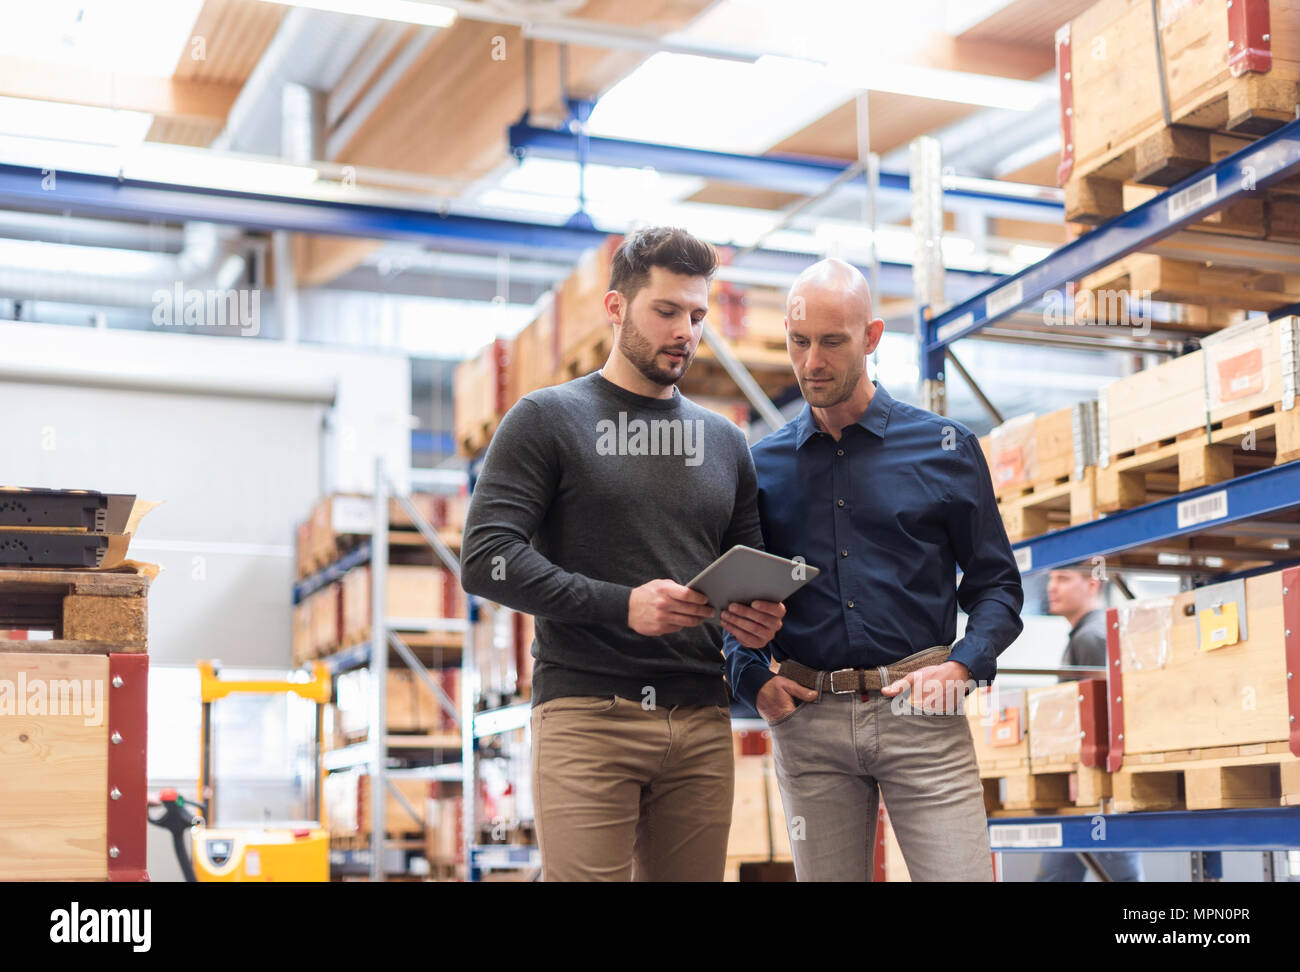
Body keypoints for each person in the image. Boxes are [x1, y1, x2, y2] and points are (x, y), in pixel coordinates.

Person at [459, 226, 785, 881]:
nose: (684, 332)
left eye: (696, 315)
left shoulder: (724, 442)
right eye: (665, 311)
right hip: (587, 716)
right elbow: (485, 557)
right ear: (616, 308)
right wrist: (621, 605)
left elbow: (746, 570)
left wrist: (757, 621)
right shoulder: (546, 419)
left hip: (699, 719)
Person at [722, 257, 1024, 882]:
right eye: (799, 342)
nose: (812, 363)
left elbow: (996, 585)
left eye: (833, 342)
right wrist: (753, 681)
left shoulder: (945, 449)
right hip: (809, 723)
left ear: (873, 337)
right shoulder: (761, 468)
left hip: (922, 709)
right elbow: (736, 603)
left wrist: (965, 665)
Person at [1035, 567, 1144, 882]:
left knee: (1122, 876)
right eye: (1051, 579)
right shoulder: (1087, 633)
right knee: (1055, 877)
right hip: (1085, 785)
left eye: (1064, 579)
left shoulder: (1091, 637)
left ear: (1092, 583)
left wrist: (1084, 769)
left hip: (1096, 786)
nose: (1052, 588)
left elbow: (1107, 710)